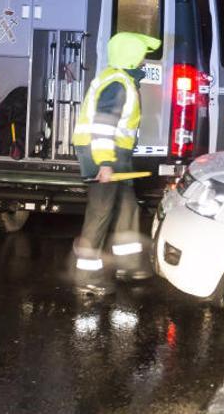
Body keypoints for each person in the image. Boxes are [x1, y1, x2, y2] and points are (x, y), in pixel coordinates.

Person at [71, 32, 161, 295]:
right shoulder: (118, 84)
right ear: (131, 56)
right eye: (142, 53)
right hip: (103, 154)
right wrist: (105, 163)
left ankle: (130, 264)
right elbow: (103, 126)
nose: (144, 59)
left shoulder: (121, 81)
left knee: (127, 208)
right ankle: (85, 275)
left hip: (114, 155)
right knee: (100, 212)